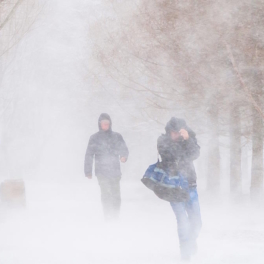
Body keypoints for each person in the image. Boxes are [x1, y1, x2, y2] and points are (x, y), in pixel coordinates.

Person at [157, 117, 202, 261]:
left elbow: (195, 154)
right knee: (182, 221)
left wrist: (188, 139)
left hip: (190, 185)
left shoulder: (189, 139)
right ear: (169, 131)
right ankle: (185, 254)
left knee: (196, 222)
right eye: (174, 132)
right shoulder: (163, 141)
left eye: (179, 132)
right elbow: (170, 156)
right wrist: (182, 143)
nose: (177, 135)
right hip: (173, 186)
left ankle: (191, 241)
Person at [84, 113, 129, 221]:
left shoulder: (117, 136)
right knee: (106, 194)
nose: (105, 125)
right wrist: (88, 171)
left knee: (116, 195)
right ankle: (108, 215)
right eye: (103, 123)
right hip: (101, 172)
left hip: (115, 171)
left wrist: (123, 156)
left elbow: (124, 148)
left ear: (110, 124)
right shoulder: (94, 138)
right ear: (99, 124)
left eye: (107, 123)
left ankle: (115, 215)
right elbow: (89, 154)